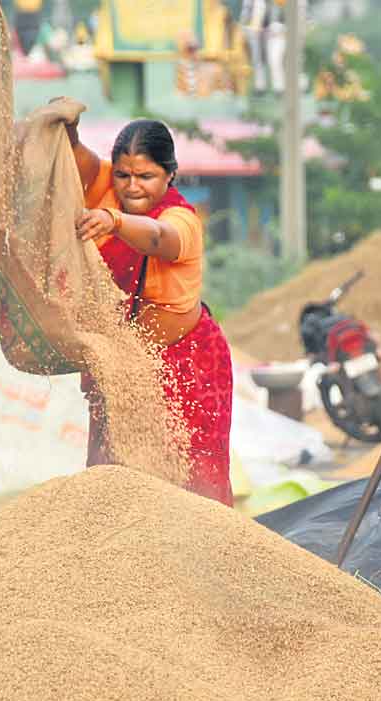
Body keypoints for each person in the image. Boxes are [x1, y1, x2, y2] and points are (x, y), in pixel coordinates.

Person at [67, 117, 233, 505]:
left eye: (146, 176)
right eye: (123, 174)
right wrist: (68, 131)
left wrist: (115, 221)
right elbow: (78, 164)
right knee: (114, 477)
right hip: (122, 367)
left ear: (169, 174)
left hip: (188, 369)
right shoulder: (108, 187)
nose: (132, 186)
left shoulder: (182, 220)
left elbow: (159, 238)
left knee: (192, 484)